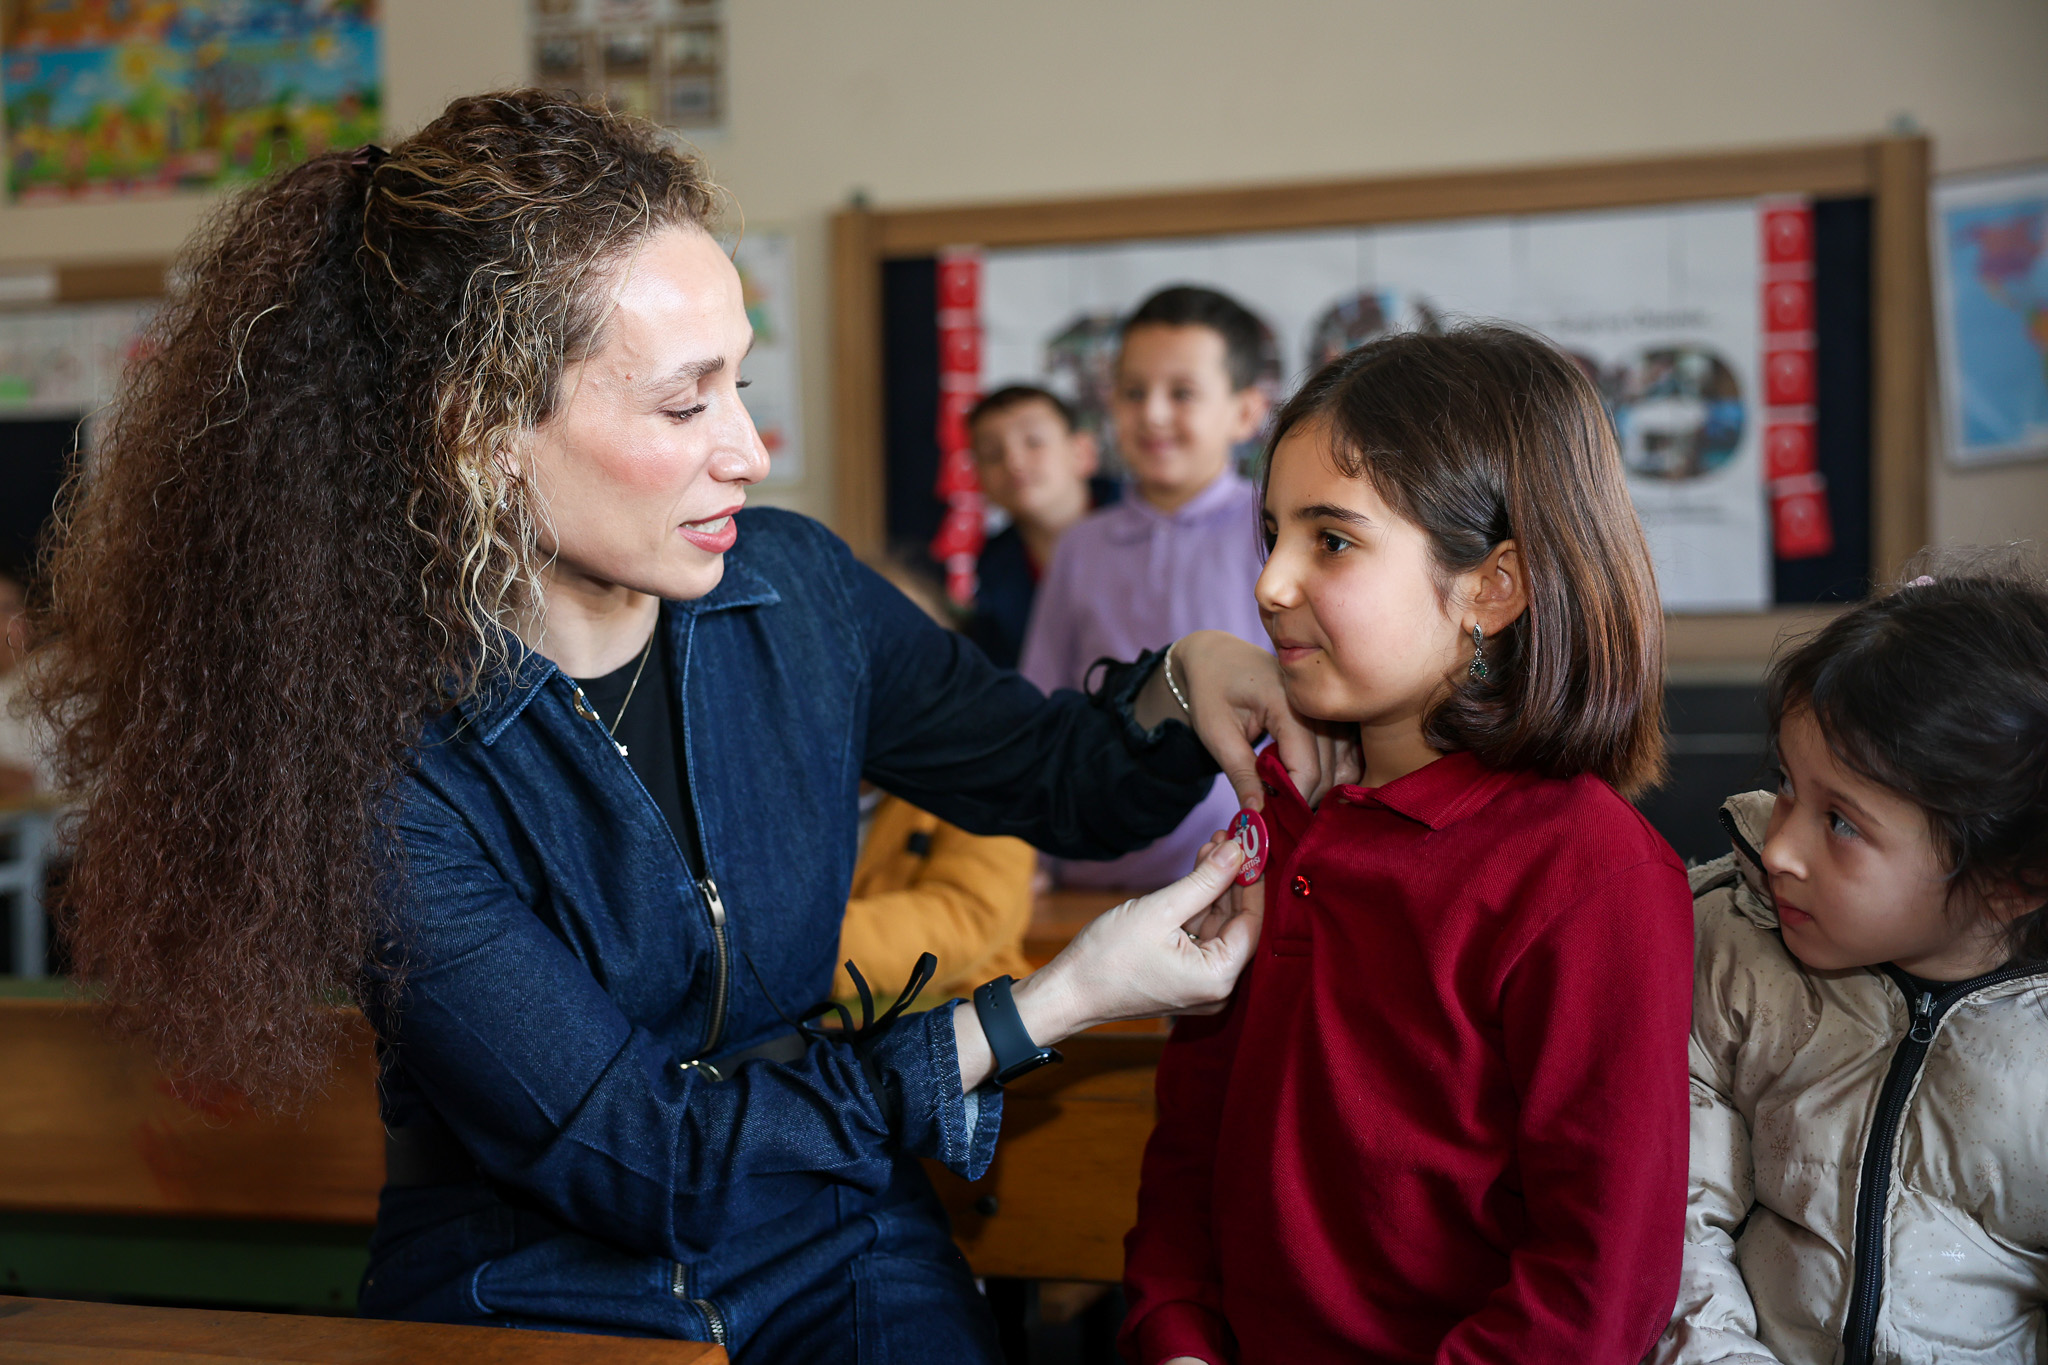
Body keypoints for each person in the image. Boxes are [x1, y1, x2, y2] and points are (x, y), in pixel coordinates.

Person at [20, 92, 1358, 1363]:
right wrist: (1051, 1003)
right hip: (532, 1276)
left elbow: (1063, 783)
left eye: (739, 384)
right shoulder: (377, 761)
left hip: (831, 1225)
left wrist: (1180, 683)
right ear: (480, 432)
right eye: (684, 402)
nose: (750, 452)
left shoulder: (795, 593)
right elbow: (641, 1162)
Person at [1121, 327, 1695, 1364]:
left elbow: (1593, 1290)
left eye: (1330, 542)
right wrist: (1177, 1338)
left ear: (1492, 588)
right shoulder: (1279, 814)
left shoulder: (1590, 875)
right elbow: (1190, 1152)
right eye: (1271, 535)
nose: (1269, 585)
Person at [1651, 553, 2048, 1365]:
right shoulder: (1726, 950)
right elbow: (1677, 1225)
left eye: (1841, 821)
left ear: (2012, 880)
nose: (1781, 849)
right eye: (1787, 785)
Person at [1019, 286, 1272, 889]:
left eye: (1182, 393)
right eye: (1133, 392)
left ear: (1245, 412)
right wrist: (1031, 861)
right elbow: (1040, 700)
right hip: (1091, 871)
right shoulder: (1081, 545)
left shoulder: (1275, 529)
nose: (1153, 414)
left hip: (1244, 868)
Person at [963, 384, 1114, 670]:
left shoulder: (1145, 524)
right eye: (992, 453)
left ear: (1082, 452)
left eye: (1033, 442)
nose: (1013, 462)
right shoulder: (992, 564)